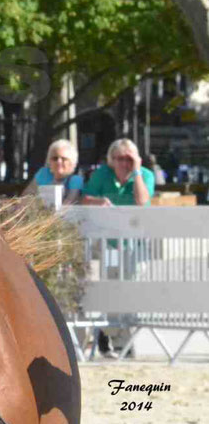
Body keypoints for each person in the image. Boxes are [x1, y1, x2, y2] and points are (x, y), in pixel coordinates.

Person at [81, 138, 155, 357]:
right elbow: (85, 199)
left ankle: (123, 338)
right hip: (108, 244)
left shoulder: (145, 176)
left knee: (130, 292)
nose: (124, 162)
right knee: (111, 289)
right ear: (111, 160)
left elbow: (142, 202)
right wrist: (99, 202)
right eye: (119, 158)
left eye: (128, 158)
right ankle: (110, 336)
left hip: (136, 244)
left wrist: (138, 171)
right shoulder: (102, 174)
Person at [24, 139, 83, 204]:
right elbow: (26, 196)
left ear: (72, 162)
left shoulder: (76, 180)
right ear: (49, 161)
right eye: (55, 158)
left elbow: (68, 204)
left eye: (64, 159)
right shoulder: (43, 173)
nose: (59, 162)